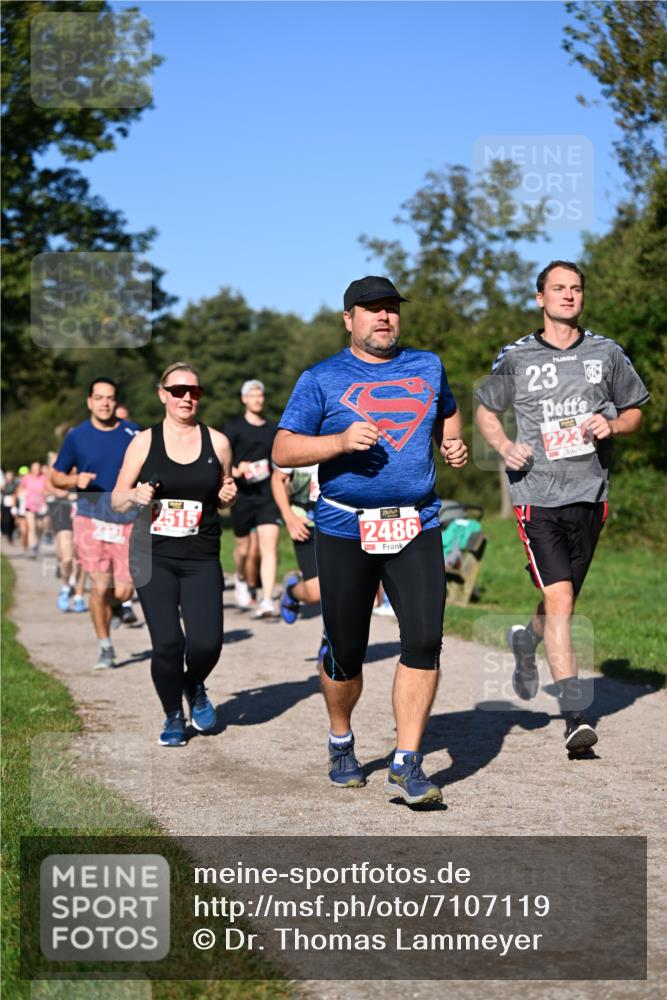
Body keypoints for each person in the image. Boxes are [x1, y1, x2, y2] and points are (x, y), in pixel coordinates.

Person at [273, 275, 467, 805]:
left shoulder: (427, 365)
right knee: (347, 652)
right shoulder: (322, 378)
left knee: (424, 640)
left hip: (416, 523)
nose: (384, 318)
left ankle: (406, 763)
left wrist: (451, 441)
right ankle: (341, 738)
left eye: (391, 309)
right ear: (348, 319)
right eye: (371, 310)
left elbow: (447, 408)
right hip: (344, 528)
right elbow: (283, 450)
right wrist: (336, 442)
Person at [475, 261, 649, 754]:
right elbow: (487, 410)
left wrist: (612, 426)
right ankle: (575, 717)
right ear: (540, 298)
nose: (568, 296)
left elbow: (635, 410)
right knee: (562, 603)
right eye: (558, 288)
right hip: (537, 495)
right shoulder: (518, 356)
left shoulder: (607, 353)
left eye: (575, 289)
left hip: (591, 494)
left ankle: (525, 643)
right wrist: (505, 447)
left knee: (561, 600)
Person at [112, 362, 236, 747]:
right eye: (178, 390)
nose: (186, 397)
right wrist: (133, 495)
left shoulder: (217, 442)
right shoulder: (144, 442)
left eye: (194, 391)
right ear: (162, 394)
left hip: (201, 556)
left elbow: (225, 493)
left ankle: (193, 683)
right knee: (168, 644)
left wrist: (227, 496)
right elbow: (117, 499)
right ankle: (172, 715)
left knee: (207, 644)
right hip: (153, 556)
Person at [51, 378, 140, 670]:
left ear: (116, 402)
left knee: (125, 592)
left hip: (127, 519)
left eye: (110, 398)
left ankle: (115, 608)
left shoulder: (133, 433)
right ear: (89, 401)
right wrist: (75, 480)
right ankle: (105, 647)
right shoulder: (77, 436)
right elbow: (56, 476)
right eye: (99, 397)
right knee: (99, 587)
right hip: (90, 518)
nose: (104, 403)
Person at [224, 380, 282, 618]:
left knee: (269, 547)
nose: (257, 399)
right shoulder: (234, 427)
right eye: (252, 395)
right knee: (244, 549)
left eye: (260, 395)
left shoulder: (272, 428)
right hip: (242, 494)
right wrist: (237, 470)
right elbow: (224, 458)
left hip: (267, 494)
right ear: (244, 399)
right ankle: (240, 578)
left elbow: (278, 459)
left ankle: (267, 599)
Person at [270, 462, 328, 663]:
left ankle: (329, 644)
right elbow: (278, 479)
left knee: (345, 589)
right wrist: (289, 517)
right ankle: (292, 591)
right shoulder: (301, 433)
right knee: (315, 591)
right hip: (305, 525)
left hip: (342, 525)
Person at [46, 452, 87, 613]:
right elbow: (48, 483)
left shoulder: (86, 460)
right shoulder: (60, 460)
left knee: (82, 559)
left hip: (83, 511)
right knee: (67, 557)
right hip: (63, 510)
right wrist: (59, 492)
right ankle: (65, 587)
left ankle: (78, 595)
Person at [21, 461, 48, 558]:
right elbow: (22, 488)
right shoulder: (26, 478)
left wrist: (44, 492)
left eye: (38, 469)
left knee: (40, 527)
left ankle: (37, 544)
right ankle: (33, 547)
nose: (36, 471)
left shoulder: (44, 478)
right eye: (34, 469)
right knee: (32, 527)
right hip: (29, 505)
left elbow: (48, 489)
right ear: (31, 469)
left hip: (41, 506)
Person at [1, 470, 18, 544]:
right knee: (6, 520)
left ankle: (11, 534)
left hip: (13, 504)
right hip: (5, 504)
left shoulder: (15, 485)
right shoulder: (4, 485)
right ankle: (7, 534)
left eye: (10, 475)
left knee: (12, 521)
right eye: (7, 475)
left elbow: (16, 494)